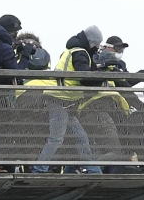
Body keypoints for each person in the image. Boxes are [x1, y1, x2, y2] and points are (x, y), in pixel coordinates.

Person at [16, 26, 105, 174]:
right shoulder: (81, 53)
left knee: (80, 137)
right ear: (91, 42)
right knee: (57, 138)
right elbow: (85, 76)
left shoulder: (74, 51)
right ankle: (39, 171)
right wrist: (101, 75)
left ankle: (92, 170)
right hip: (59, 99)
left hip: (64, 100)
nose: (98, 47)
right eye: (97, 43)